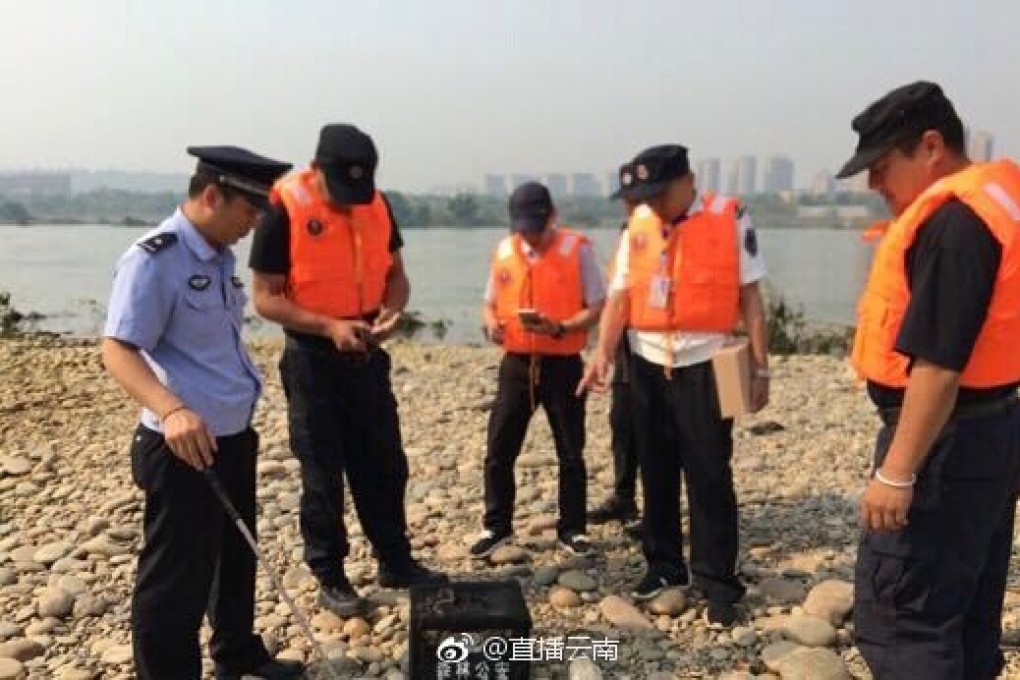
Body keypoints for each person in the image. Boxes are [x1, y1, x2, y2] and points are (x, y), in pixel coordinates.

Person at [840, 81, 1020, 680]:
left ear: (931, 146)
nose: (874, 185)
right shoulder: (1001, 199)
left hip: (944, 442)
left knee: (904, 619)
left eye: (882, 167)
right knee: (965, 609)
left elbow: (939, 365)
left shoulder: (955, 225)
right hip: (992, 430)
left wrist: (896, 472)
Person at [102, 146, 304, 679]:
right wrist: (171, 411)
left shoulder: (217, 256)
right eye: (249, 209)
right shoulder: (154, 259)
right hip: (182, 444)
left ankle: (236, 652)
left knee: (235, 556)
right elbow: (117, 349)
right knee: (175, 580)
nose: (255, 222)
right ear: (212, 195)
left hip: (232, 436)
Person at [249, 123, 446, 619]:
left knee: (384, 463)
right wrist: (328, 325)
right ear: (316, 170)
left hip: (367, 354)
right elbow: (265, 298)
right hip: (313, 357)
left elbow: (397, 277)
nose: (351, 200)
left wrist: (391, 312)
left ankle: (395, 560)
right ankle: (329, 574)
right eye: (342, 190)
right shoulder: (284, 205)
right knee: (322, 471)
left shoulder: (377, 203)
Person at [578, 145, 770, 629]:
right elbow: (619, 297)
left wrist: (762, 367)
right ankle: (664, 567)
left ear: (688, 180)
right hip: (646, 361)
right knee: (656, 471)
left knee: (709, 474)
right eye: (645, 196)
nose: (653, 204)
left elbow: (751, 297)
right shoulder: (638, 225)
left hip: (706, 362)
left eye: (660, 193)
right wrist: (601, 354)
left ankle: (718, 581)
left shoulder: (730, 216)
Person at [469, 181, 607, 559]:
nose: (530, 235)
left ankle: (573, 528)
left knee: (570, 450)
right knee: (499, 446)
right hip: (516, 363)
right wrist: (491, 324)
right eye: (523, 227)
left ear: (552, 217)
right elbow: (488, 302)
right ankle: (496, 526)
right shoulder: (504, 251)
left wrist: (560, 326)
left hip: (562, 363)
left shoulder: (577, 250)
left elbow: (597, 305)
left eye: (536, 226)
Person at [588, 199, 641, 528]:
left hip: (659, 351)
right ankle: (624, 497)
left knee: (658, 432)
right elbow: (615, 301)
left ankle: (661, 508)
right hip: (626, 352)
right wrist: (602, 351)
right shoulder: (629, 242)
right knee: (622, 424)